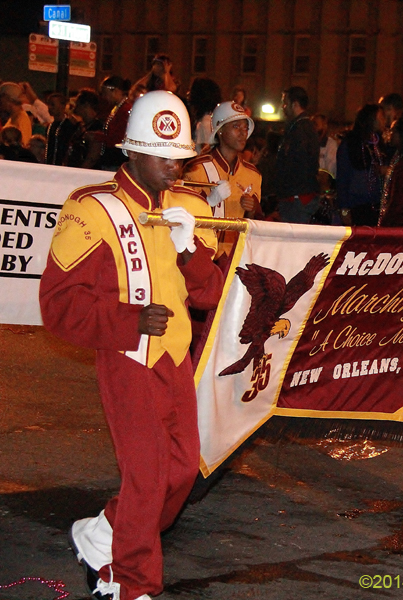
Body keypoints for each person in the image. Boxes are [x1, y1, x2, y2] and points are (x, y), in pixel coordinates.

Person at [39, 90, 223, 600]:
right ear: (132, 151)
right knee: (148, 474)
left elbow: (209, 294)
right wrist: (128, 320)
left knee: (182, 471)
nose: (175, 168)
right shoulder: (92, 208)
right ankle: (125, 583)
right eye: (163, 158)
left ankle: (102, 533)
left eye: (180, 158)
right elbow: (57, 305)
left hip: (175, 360)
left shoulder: (188, 206)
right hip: (127, 358)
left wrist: (189, 249)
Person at [183, 101, 263, 257]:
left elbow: (256, 222)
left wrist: (253, 208)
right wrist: (208, 202)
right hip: (203, 251)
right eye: (236, 127)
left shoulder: (253, 174)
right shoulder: (196, 169)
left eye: (245, 128)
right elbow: (183, 214)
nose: (243, 133)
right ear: (219, 130)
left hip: (237, 254)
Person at [273, 86, 321, 223]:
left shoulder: (300, 130)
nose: (283, 107)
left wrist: (285, 187)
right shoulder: (300, 127)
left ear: (294, 104)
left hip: (296, 199)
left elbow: (297, 165)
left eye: (285, 103)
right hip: (296, 197)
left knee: (293, 240)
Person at [335, 103, 387, 226]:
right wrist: (344, 210)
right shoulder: (351, 144)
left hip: (377, 205)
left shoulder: (378, 144)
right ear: (371, 119)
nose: (383, 121)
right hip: (356, 206)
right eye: (381, 117)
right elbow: (342, 178)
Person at [97, 76, 134, 172]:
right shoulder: (117, 108)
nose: (104, 97)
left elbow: (119, 138)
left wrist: (98, 137)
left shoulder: (125, 110)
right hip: (112, 158)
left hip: (117, 160)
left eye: (105, 93)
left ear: (116, 91)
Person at [66, 89, 104, 169]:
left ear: (86, 105)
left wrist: (81, 171)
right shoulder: (80, 126)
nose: (75, 108)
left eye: (77, 104)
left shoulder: (97, 127)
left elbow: (93, 157)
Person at [187, 77, 222, 153]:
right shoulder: (210, 121)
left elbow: (204, 151)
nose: (188, 95)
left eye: (191, 92)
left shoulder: (204, 123)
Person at [45, 92, 77, 166]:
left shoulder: (69, 125)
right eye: (48, 104)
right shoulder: (50, 126)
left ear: (63, 106)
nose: (50, 107)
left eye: (53, 104)